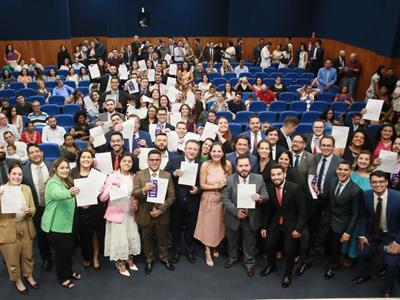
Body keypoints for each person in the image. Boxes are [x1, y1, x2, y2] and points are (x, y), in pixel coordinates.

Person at [296, 161, 362, 279]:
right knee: (317, 243)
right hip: (326, 219)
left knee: (335, 247)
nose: (342, 172)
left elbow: (355, 214)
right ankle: (306, 263)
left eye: (345, 170)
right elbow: (328, 198)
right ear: (336, 170)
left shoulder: (356, 190)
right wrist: (319, 193)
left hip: (341, 223)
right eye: (340, 169)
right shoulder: (333, 181)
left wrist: (348, 233)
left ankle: (331, 267)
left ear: (350, 172)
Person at [352, 170, 400, 298]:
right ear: (370, 183)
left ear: (386, 182)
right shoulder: (366, 195)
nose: (377, 185)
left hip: (391, 238)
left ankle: (388, 290)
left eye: (381, 182)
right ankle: (364, 275)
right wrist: (362, 235)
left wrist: (397, 243)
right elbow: (363, 216)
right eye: (374, 182)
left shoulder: (398, 198)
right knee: (363, 253)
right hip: (373, 233)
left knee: (390, 263)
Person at [259, 164, 307, 288]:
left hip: (291, 223)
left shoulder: (295, 188)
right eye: (273, 175)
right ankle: (271, 265)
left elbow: (303, 210)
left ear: (284, 174)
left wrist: (298, 228)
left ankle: (287, 274)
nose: (276, 177)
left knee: (289, 250)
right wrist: (264, 226)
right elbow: (267, 209)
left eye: (279, 174)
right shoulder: (269, 188)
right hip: (275, 222)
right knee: (269, 245)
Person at [222, 155, 268, 276]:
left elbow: (266, 196)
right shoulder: (230, 179)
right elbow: (225, 199)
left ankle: (249, 263)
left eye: (246, 165)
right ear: (236, 167)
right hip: (233, 216)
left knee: (250, 242)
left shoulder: (259, 178)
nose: (244, 168)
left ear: (251, 166)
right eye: (241, 166)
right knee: (232, 240)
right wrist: (236, 211)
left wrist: (260, 198)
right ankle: (232, 257)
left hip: (251, 218)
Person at [132, 150, 176, 274]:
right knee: (147, 240)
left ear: (161, 161)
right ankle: (149, 259)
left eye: (157, 160)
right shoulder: (140, 174)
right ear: (147, 161)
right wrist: (144, 189)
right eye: (152, 159)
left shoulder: (167, 175)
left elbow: (172, 196)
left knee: (163, 239)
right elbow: (135, 193)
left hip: (162, 214)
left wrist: (161, 210)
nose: (154, 162)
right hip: (145, 213)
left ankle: (164, 258)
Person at [41, 157, 80, 289]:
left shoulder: (65, 181)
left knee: (68, 251)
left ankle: (69, 272)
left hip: (66, 224)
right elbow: (58, 194)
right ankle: (63, 277)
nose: (65, 170)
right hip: (56, 226)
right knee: (61, 254)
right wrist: (70, 192)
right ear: (55, 169)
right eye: (62, 167)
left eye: (67, 167)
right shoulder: (53, 183)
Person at [99, 153, 141, 277]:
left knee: (130, 234)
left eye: (129, 161)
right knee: (119, 237)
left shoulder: (134, 176)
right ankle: (120, 262)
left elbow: (136, 195)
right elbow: (103, 198)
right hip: (116, 212)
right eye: (124, 161)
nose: (127, 163)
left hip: (130, 211)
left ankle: (129, 258)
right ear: (119, 162)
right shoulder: (113, 176)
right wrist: (111, 187)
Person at [0, 163, 39, 295]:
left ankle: (28, 275)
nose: (17, 177)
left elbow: (33, 209)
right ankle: (17, 280)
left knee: (28, 255)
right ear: (8, 175)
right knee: (12, 259)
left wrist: (29, 211)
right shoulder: (2, 190)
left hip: (26, 226)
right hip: (8, 229)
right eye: (14, 174)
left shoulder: (26, 189)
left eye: (20, 174)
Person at [194, 142, 232, 266]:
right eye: (214, 151)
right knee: (208, 226)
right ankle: (207, 251)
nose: (216, 154)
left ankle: (215, 245)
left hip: (223, 200)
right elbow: (202, 185)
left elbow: (230, 183)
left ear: (223, 153)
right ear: (210, 152)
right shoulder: (205, 165)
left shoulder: (227, 165)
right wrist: (217, 186)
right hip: (209, 198)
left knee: (219, 226)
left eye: (219, 151)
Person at [165, 140, 201, 264]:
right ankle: (176, 250)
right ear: (185, 149)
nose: (192, 151)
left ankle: (190, 251)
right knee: (176, 228)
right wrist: (174, 173)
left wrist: (198, 190)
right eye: (190, 148)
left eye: (195, 149)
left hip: (192, 201)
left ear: (198, 152)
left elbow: (203, 183)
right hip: (176, 202)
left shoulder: (201, 164)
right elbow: (164, 174)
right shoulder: (175, 160)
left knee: (191, 228)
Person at [22, 144, 52, 271]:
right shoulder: (24, 170)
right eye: (31, 152)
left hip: (54, 206)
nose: (35, 154)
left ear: (42, 152)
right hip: (37, 207)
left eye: (37, 151)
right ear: (28, 156)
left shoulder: (53, 165)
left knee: (56, 233)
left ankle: (61, 255)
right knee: (41, 235)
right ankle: (46, 258)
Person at [70, 150, 102, 270]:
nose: (86, 159)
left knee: (94, 234)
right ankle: (86, 256)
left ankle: (95, 257)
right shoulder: (72, 173)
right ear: (79, 159)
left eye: (89, 157)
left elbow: (101, 192)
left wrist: (102, 189)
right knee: (83, 235)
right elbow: (68, 191)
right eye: (83, 157)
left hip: (95, 208)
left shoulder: (97, 173)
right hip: (79, 209)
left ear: (92, 159)